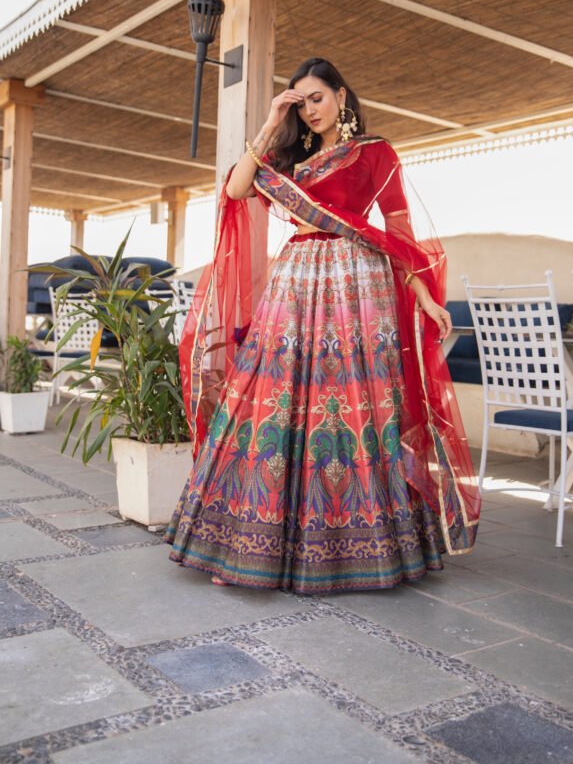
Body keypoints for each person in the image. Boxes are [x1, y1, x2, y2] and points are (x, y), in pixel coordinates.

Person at [165, 57, 480, 593]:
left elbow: (398, 233)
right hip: (297, 284)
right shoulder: (291, 158)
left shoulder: (375, 153)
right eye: (300, 101)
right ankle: (256, 541)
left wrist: (423, 295)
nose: (309, 110)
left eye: (316, 98)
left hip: (360, 287)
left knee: (359, 406)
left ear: (340, 95)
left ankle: (366, 545)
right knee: (275, 400)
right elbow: (238, 190)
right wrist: (270, 122)